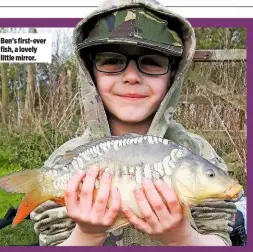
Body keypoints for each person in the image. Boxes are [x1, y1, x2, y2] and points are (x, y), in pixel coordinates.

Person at [30, 0, 237, 246]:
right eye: (111, 61)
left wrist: (182, 237)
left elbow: (220, 238)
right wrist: (87, 233)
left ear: (173, 75)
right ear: (90, 72)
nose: (131, 76)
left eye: (151, 61)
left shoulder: (197, 152)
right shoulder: (64, 161)